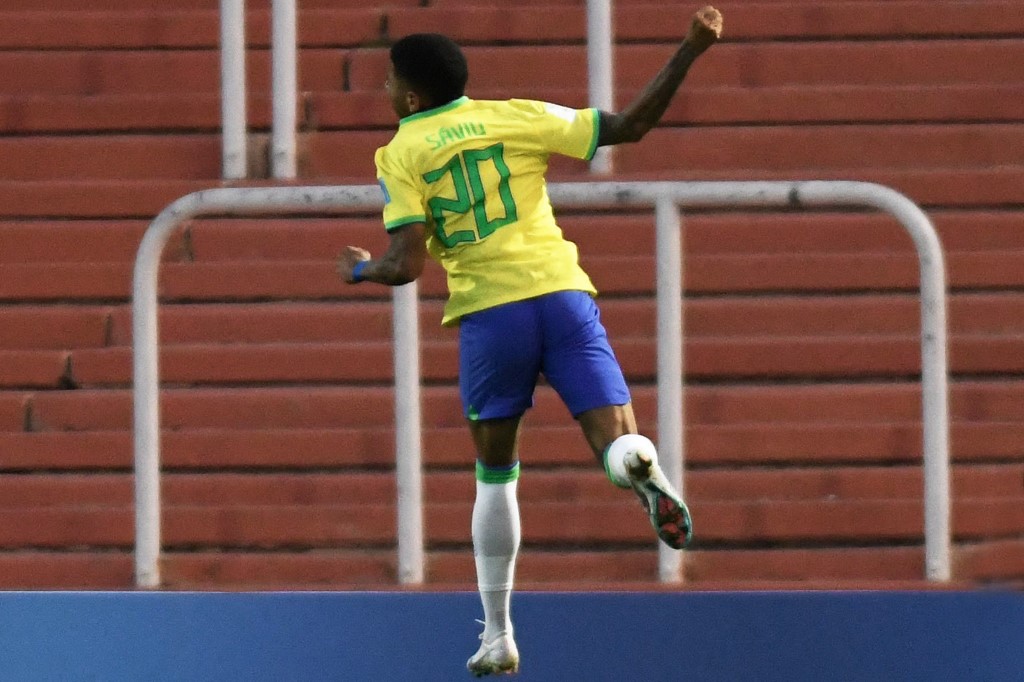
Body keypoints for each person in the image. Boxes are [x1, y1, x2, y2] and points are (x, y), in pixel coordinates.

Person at [337, 6, 723, 677]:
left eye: (390, 81)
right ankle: (639, 464)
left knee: (496, 473)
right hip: (563, 296)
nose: (385, 90)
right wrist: (690, 49)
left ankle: (498, 634)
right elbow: (628, 127)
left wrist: (361, 270)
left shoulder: (400, 153)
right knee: (616, 439)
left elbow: (406, 264)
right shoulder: (515, 115)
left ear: (411, 97)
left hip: (493, 316)